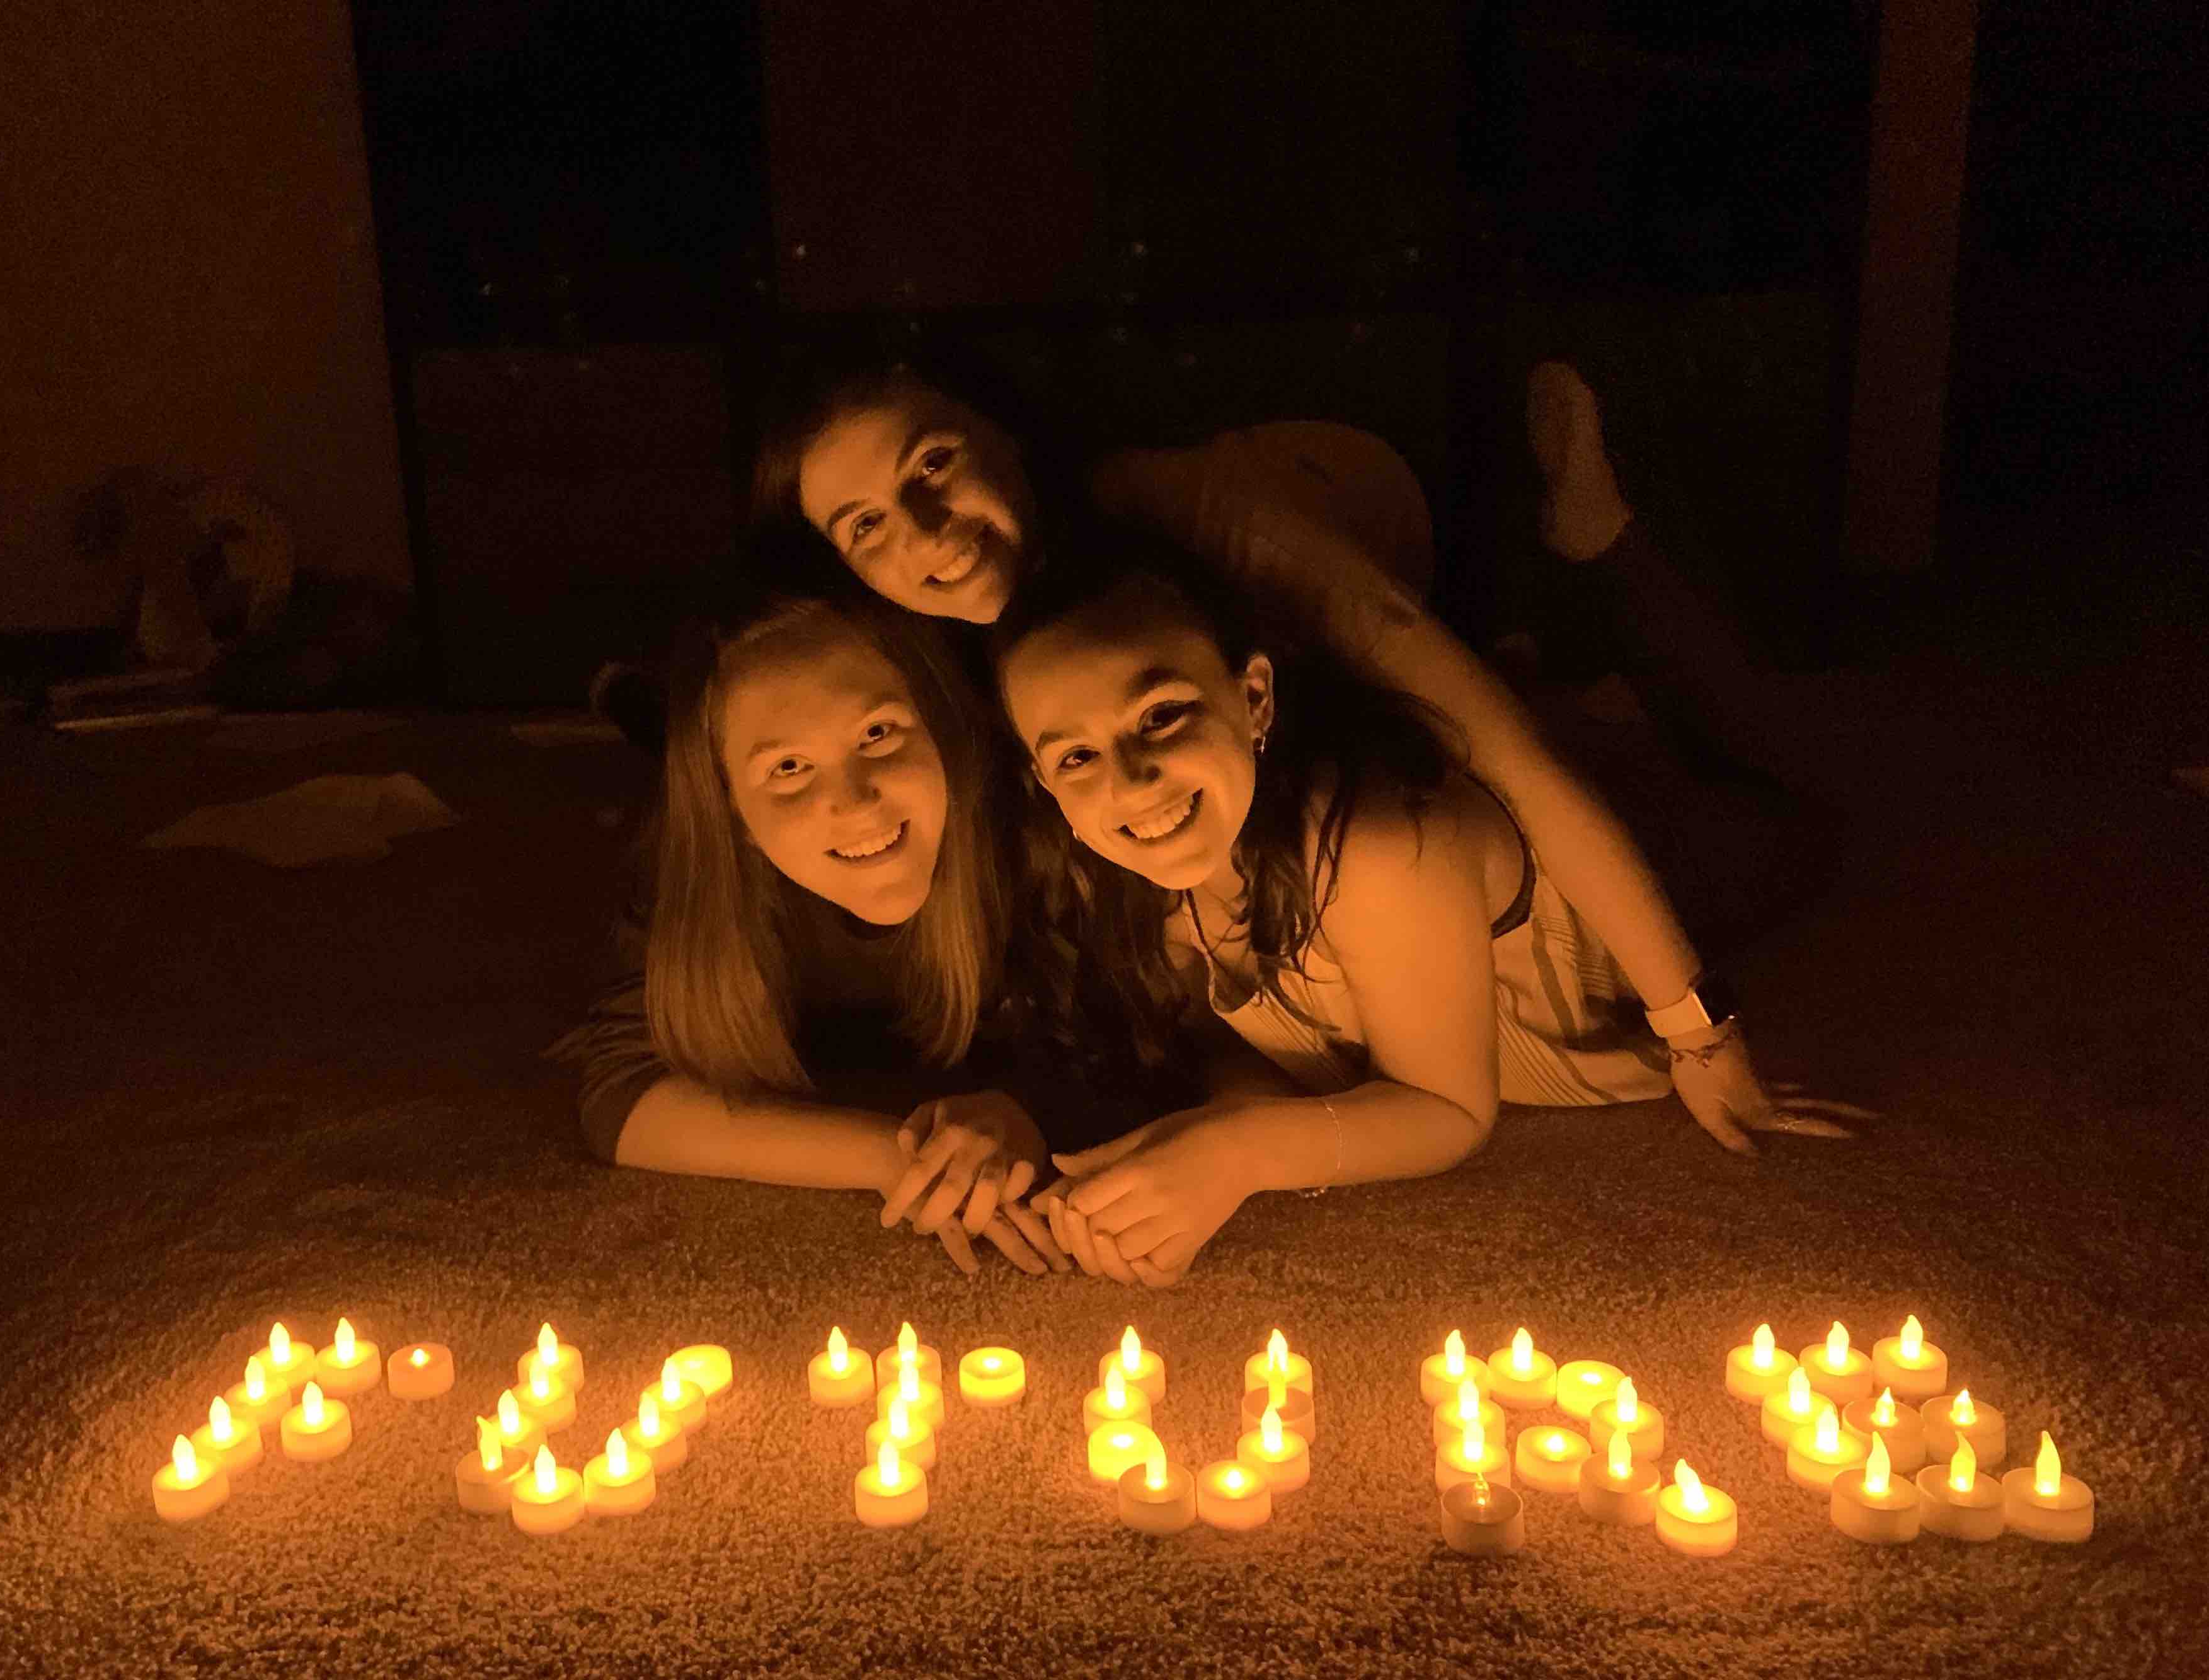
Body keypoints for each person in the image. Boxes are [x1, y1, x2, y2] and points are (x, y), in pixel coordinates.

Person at [752, 348, 1844, 1156]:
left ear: (1000, 433)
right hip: (1285, 732)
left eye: (932, 462)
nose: (921, 525)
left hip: (1363, 513)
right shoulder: (932, 648)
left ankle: (1601, 545)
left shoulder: (1189, 515)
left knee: (1784, 804)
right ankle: (1567, 678)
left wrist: (1696, 1031)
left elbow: (1504, 756)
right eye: (863, 525)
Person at [987, 533, 1869, 1285]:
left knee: (1800, 809)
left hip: (1665, 853)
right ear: (1044, 782)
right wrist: (1201, 1138)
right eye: (1075, 758)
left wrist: (1240, 1153)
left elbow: (1447, 1108)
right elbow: (1229, 1049)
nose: (1130, 780)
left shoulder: (1373, 845)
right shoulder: (1131, 878)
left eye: (1160, 715)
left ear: (1252, 697)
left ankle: (1614, 586)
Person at [549, 547, 1090, 1275]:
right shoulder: (698, 864)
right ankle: (631, 702)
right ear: (734, 816)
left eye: (877, 733)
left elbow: (1135, 1044)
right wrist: (895, 1157)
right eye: (789, 767)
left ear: (942, 729)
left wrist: (1021, 1112)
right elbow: (622, 1097)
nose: (854, 801)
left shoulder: (1036, 833)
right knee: (661, 743)